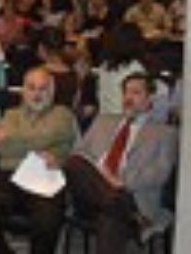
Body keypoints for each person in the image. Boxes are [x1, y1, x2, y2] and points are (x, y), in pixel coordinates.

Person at [0, 67, 78, 254]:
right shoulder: (12, 114)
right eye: (31, 88)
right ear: (23, 91)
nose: (36, 94)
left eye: (42, 88)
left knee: (47, 222)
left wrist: (11, 139)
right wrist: (34, 146)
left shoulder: (63, 115)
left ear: (51, 92)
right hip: (8, 175)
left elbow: (44, 137)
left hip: (45, 177)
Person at [65, 72, 178, 254]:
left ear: (150, 98)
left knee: (110, 219)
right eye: (126, 92)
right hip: (92, 197)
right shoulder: (103, 121)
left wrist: (121, 181)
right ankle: (127, 211)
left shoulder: (164, 133)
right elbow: (80, 154)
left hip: (132, 196)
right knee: (74, 162)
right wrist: (104, 178)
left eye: (136, 93)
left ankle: (121, 206)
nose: (128, 98)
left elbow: (159, 173)